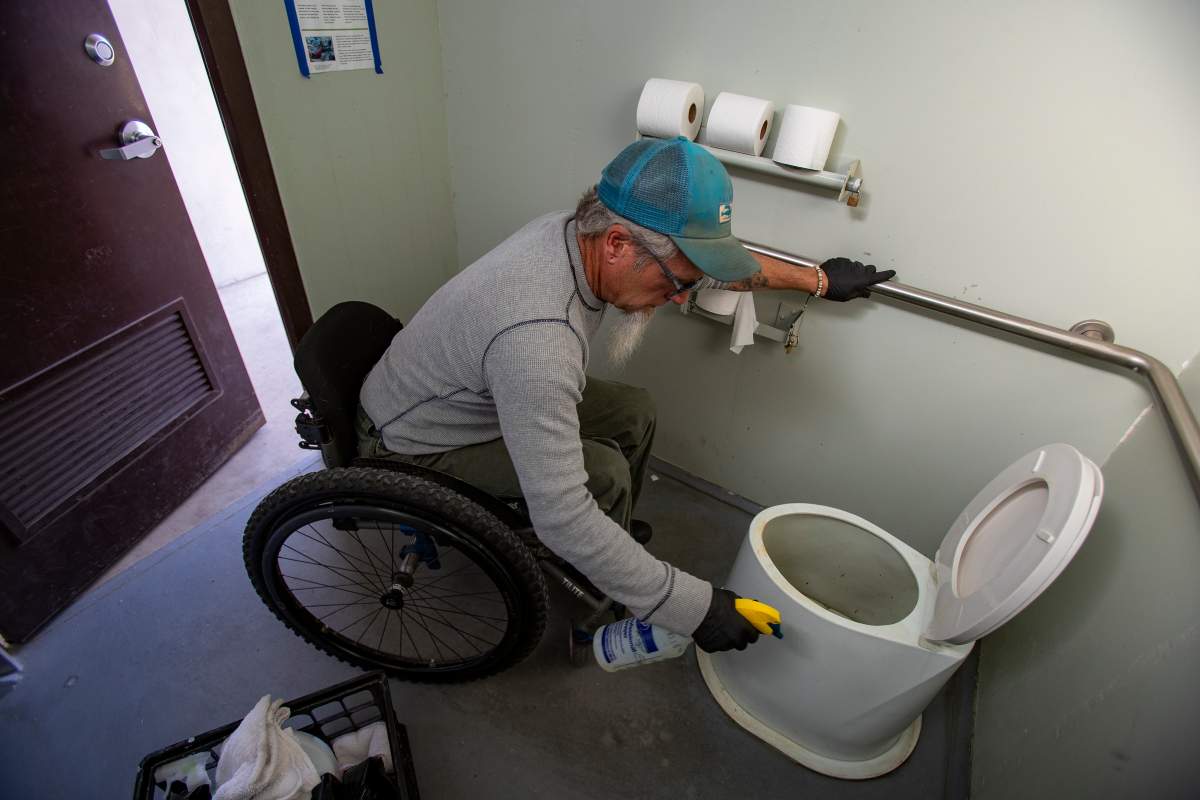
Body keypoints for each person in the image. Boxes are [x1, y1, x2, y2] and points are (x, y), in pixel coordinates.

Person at [357, 136, 894, 654]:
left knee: (634, 411)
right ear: (617, 244)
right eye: (675, 283)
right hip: (417, 440)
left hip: (470, 391)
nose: (681, 297)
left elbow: (706, 273)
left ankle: (612, 543)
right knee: (600, 476)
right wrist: (694, 608)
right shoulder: (538, 338)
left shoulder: (569, 230)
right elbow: (561, 514)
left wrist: (816, 280)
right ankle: (596, 603)